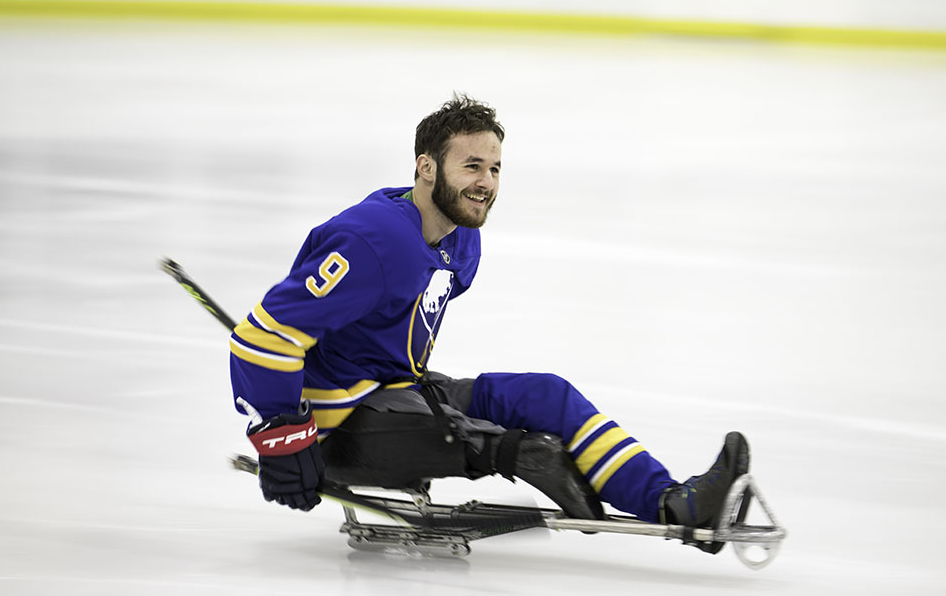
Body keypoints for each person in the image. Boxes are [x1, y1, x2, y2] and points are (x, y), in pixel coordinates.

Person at [229, 94, 750, 554]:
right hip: (339, 427)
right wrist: (282, 439)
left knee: (547, 396)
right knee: (519, 447)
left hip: (396, 391)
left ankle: (672, 503)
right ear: (426, 167)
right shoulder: (375, 243)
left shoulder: (460, 238)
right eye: (471, 166)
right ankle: (526, 459)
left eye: (495, 168)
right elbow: (263, 336)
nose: (485, 183)